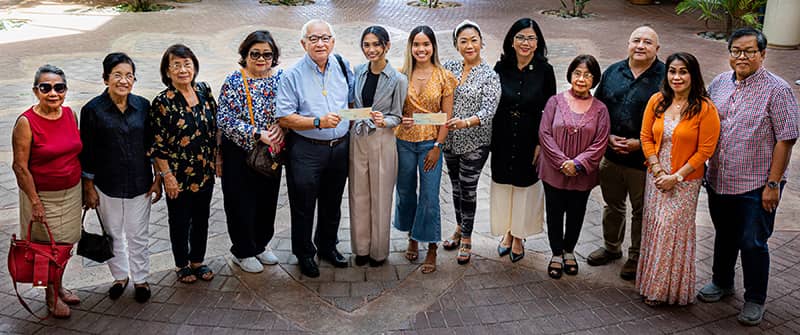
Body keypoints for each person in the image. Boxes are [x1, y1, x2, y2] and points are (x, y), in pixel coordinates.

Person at [699, 28, 799, 326]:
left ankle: (755, 299)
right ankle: (722, 282)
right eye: (736, 51)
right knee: (724, 235)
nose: (742, 57)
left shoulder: (778, 90)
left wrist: (773, 183)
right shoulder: (718, 83)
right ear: (729, 53)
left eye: (749, 51)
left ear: (763, 54)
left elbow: (787, 139)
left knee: (753, 242)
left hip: (757, 185)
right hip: (719, 179)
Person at [637, 52, 720, 306]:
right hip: (657, 176)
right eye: (672, 71)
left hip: (685, 182)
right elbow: (645, 136)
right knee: (655, 227)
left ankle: (665, 291)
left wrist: (676, 177)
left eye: (683, 71)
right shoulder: (657, 101)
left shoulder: (705, 108)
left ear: (693, 75)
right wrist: (658, 170)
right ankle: (649, 284)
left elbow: (706, 150)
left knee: (671, 230)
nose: (677, 76)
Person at [80, 53, 161, 302]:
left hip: (140, 183)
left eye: (128, 76)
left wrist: (158, 177)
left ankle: (140, 279)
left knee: (138, 234)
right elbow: (88, 151)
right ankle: (120, 276)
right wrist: (89, 187)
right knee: (113, 233)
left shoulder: (144, 106)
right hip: (106, 184)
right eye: (117, 75)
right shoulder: (92, 110)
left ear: (134, 79)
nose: (123, 80)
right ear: (106, 79)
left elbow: (152, 145)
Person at [276, 19, 354, 278]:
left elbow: (352, 101)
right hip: (306, 149)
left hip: (339, 147)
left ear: (332, 41)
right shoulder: (292, 74)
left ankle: (328, 247)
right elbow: (284, 116)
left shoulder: (343, 66)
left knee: (332, 202)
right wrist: (317, 122)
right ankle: (304, 253)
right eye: (313, 39)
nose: (320, 43)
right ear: (303, 43)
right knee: (303, 204)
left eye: (325, 38)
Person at [588, 25, 666, 281]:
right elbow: (598, 108)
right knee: (613, 206)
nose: (641, 46)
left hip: (643, 160)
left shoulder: (665, 76)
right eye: (636, 40)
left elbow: (671, 122)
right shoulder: (613, 71)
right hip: (611, 156)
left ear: (657, 48)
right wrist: (606, 136)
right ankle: (612, 247)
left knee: (641, 211)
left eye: (647, 42)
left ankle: (636, 257)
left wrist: (639, 144)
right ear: (628, 44)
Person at [12, 64, 82, 318]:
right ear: (36, 90)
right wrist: (35, 202)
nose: (53, 93)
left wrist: (85, 188)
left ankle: (59, 286)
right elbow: (20, 167)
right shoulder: (26, 122)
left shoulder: (70, 114)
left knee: (65, 245)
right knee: (46, 250)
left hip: (71, 193)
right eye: (46, 88)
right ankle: (50, 296)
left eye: (59, 87)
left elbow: (76, 152)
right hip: (42, 196)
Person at [150, 44, 219, 284]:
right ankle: (181, 264)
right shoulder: (162, 102)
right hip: (177, 175)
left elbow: (215, 128)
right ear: (167, 71)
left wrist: (217, 160)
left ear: (194, 66)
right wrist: (166, 175)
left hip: (204, 170)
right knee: (180, 220)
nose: (182, 70)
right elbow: (158, 145)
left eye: (187, 64)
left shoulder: (204, 90)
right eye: (176, 65)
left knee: (201, 217)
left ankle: (197, 261)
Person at [217, 30, 284, 273]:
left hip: (270, 152)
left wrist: (281, 125)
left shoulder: (280, 79)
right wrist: (257, 133)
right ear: (245, 54)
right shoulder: (234, 80)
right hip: (240, 151)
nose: (261, 58)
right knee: (240, 202)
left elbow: (289, 108)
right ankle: (243, 250)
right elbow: (223, 118)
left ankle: (261, 245)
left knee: (267, 200)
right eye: (254, 53)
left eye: (267, 54)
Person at [490, 18, 555, 263]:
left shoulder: (545, 71)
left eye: (530, 38)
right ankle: (507, 232)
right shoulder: (501, 67)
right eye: (520, 37)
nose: (525, 43)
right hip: (503, 135)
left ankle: (519, 236)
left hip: (530, 136)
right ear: (511, 41)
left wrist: (541, 143)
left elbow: (550, 110)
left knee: (525, 187)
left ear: (538, 43)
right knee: (504, 185)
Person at [538, 55, 609, 279]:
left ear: (594, 79)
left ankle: (570, 251)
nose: (581, 79)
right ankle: (556, 254)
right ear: (570, 75)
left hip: (582, 174)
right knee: (555, 213)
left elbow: (601, 141)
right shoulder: (554, 102)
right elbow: (545, 133)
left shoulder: (600, 109)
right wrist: (561, 162)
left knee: (577, 213)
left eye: (587, 75)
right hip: (553, 170)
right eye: (578, 73)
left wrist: (578, 164)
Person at [394, 25, 456, 274]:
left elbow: (446, 117)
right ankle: (412, 235)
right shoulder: (400, 75)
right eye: (416, 44)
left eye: (426, 44)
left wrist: (438, 146)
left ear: (433, 47)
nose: (421, 49)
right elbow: (392, 110)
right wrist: (400, 118)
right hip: (404, 142)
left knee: (429, 196)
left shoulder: (444, 76)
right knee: (406, 191)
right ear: (410, 47)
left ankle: (431, 246)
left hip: (431, 143)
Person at [440, 20, 500, 265]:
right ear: (456, 44)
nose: (469, 45)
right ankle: (458, 226)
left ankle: (467, 237)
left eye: (474, 40)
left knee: (468, 188)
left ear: (481, 42)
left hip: (475, 141)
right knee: (455, 187)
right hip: (450, 140)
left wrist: (466, 123)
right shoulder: (449, 67)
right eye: (463, 41)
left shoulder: (489, 75)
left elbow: (489, 111)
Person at [349, 26, 407, 267]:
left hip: (383, 139)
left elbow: (399, 116)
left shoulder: (398, 79)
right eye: (366, 45)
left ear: (387, 46)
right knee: (357, 194)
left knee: (381, 196)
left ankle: (378, 252)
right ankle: (361, 249)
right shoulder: (358, 71)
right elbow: (353, 104)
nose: (371, 50)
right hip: (358, 137)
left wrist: (387, 121)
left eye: (376, 44)